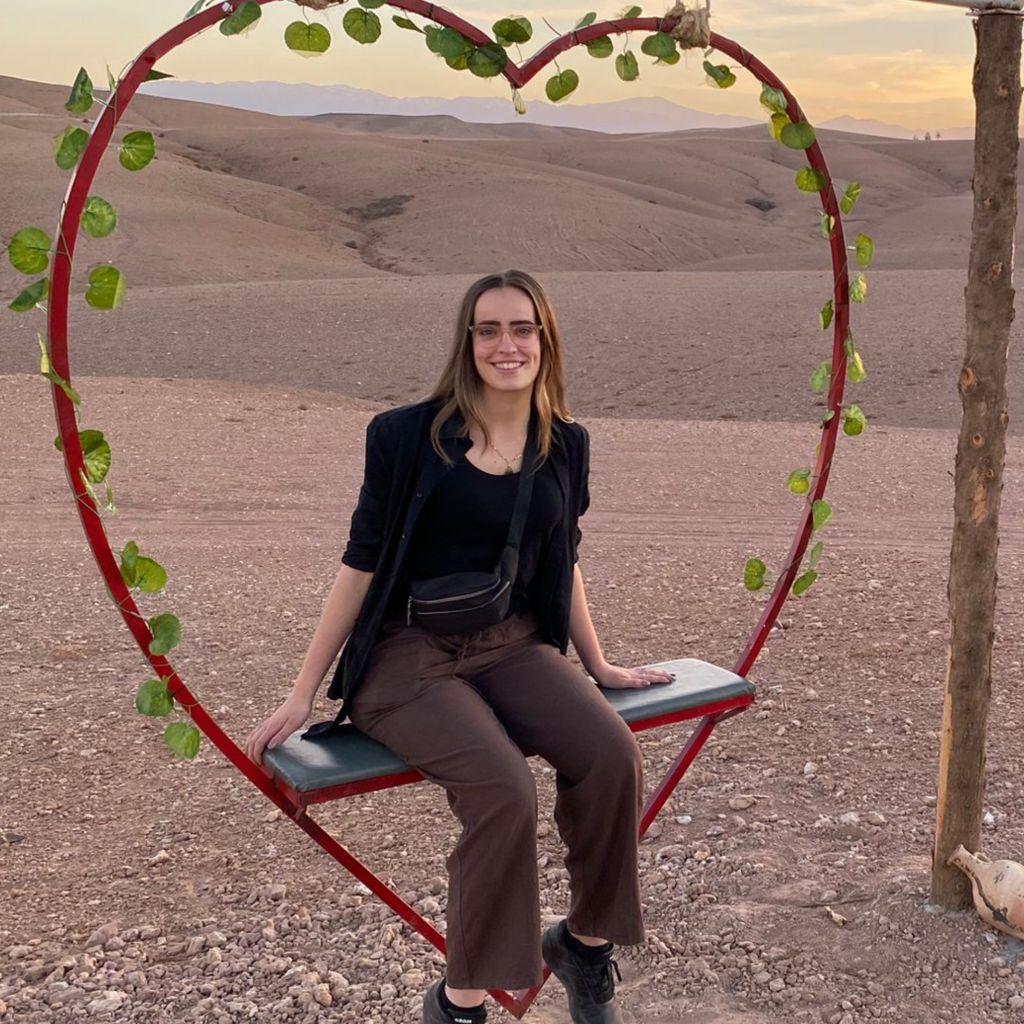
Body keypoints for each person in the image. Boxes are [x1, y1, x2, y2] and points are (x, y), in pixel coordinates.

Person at [246, 270, 672, 1024]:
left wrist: (599, 663)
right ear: (467, 341)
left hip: (510, 642)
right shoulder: (405, 436)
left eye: (522, 328)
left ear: (545, 340)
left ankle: (584, 946)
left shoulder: (565, 444)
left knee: (611, 755)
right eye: (489, 330)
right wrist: (302, 691)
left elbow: (563, 558)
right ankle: (460, 1004)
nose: (507, 345)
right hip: (407, 653)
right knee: (504, 789)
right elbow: (361, 563)